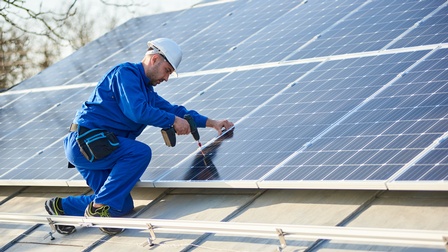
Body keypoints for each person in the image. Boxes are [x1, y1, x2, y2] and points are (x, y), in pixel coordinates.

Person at [44, 38, 234, 235]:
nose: (167, 78)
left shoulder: (147, 92)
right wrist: (171, 121)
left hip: (100, 149)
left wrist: (212, 123)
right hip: (87, 143)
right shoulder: (125, 74)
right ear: (154, 59)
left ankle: (61, 207)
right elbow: (137, 111)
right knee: (140, 153)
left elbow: (175, 110)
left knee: (120, 205)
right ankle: (97, 210)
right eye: (167, 70)